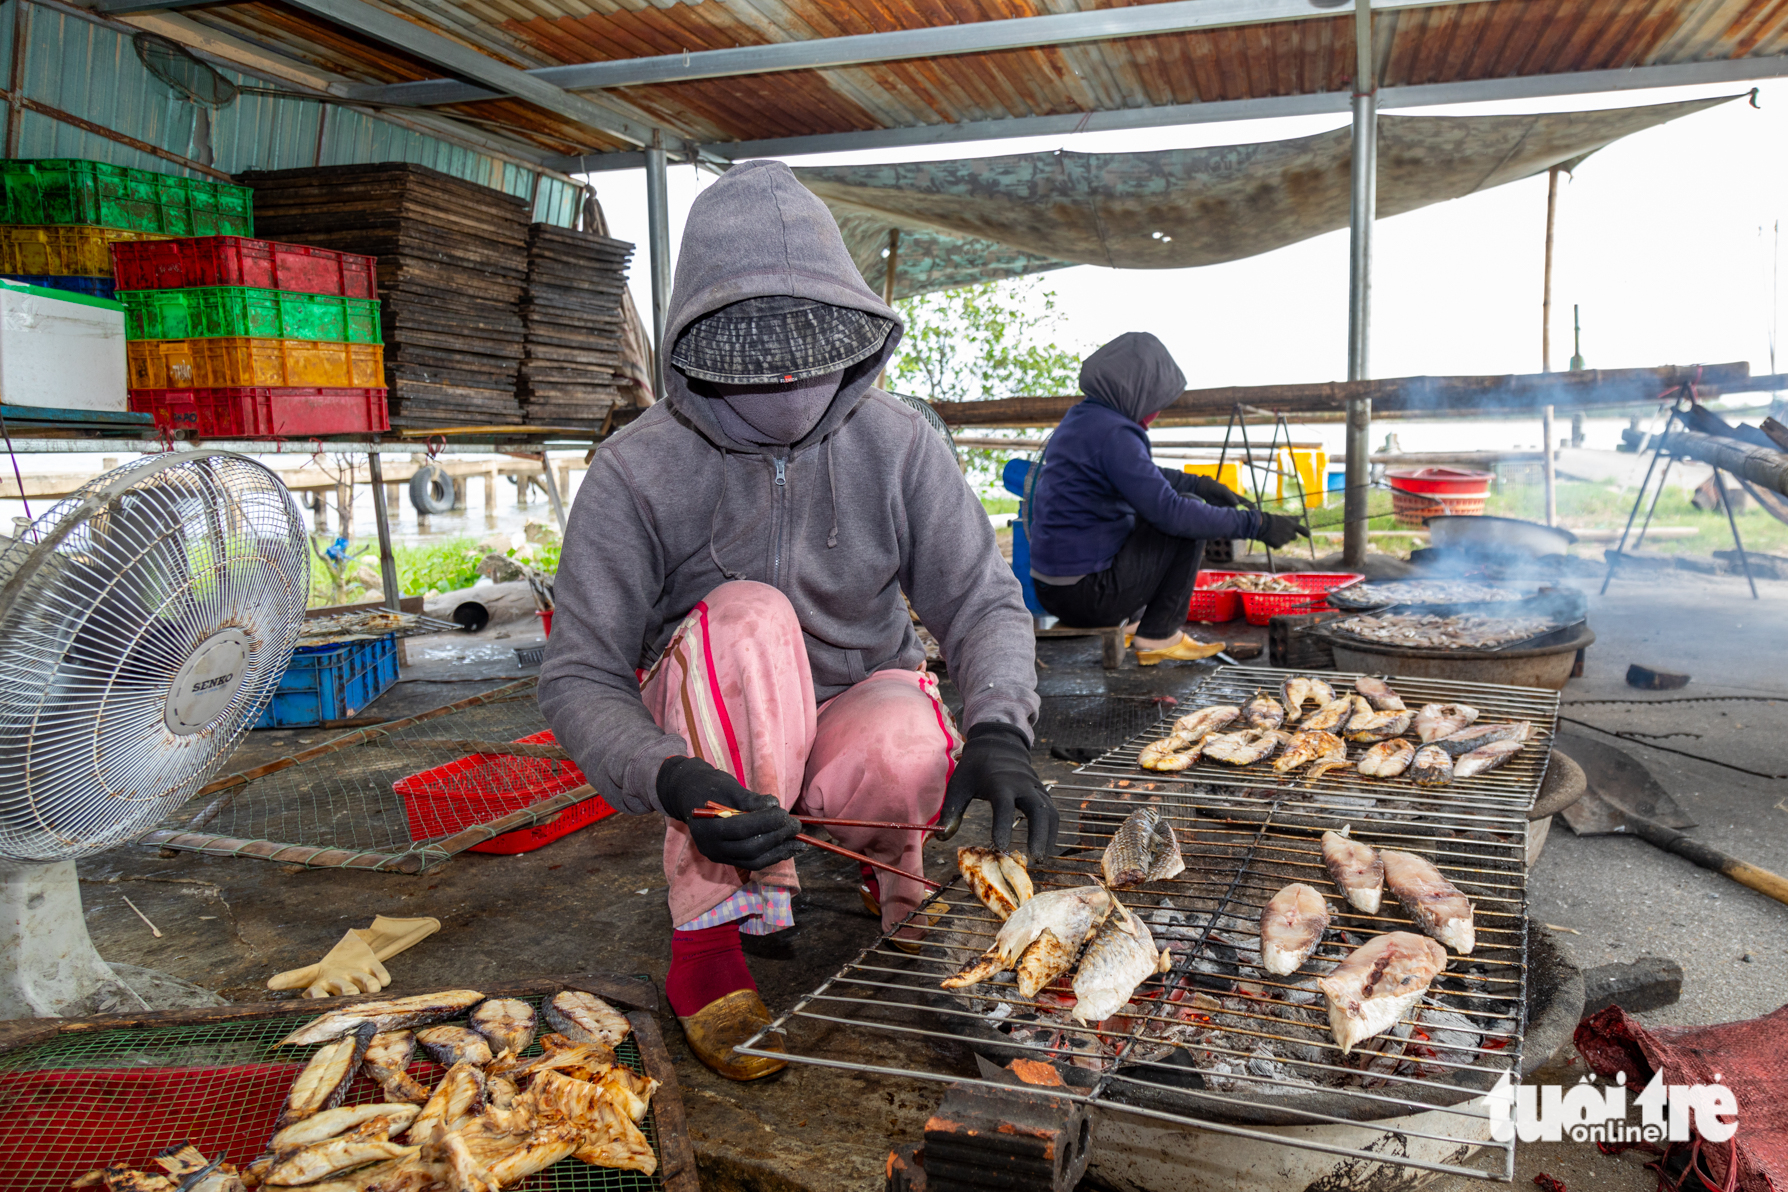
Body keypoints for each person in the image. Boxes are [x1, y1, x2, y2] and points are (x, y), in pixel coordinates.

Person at [539, 160, 1056, 1082]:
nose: (783, 385)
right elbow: (579, 671)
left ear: (853, 342)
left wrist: (1001, 730)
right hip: (719, 726)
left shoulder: (900, 444)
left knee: (909, 743)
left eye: (807, 360)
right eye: (752, 367)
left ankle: (887, 867)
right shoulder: (634, 470)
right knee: (746, 616)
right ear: (694, 348)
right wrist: (667, 777)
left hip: (856, 699)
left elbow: (980, 601)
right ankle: (706, 950)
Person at [1025, 333, 1309, 663]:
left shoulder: (1084, 419)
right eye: (1155, 400)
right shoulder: (1113, 432)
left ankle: (1137, 622)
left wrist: (1201, 483)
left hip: (1053, 590)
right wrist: (1256, 523)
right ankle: (1159, 636)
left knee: (1178, 502)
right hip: (1087, 597)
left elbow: (1140, 473)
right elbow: (1171, 512)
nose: (1156, 410)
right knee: (1183, 518)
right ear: (1137, 390)